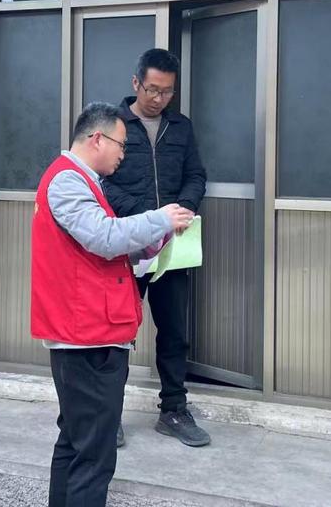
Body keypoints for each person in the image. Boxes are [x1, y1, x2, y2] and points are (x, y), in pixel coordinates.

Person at [31, 101, 195, 507]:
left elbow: (103, 246)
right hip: (86, 338)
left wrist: (151, 242)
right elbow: (103, 238)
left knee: (76, 443)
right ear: (97, 139)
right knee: (94, 455)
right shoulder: (67, 181)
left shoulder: (83, 182)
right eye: (122, 145)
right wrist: (160, 218)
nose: (124, 154)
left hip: (87, 333)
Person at [103, 48, 210, 448]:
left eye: (167, 92)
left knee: (174, 331)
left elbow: (196, 175)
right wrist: (148, 218)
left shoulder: (180, 127)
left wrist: (183, 209)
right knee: (117, 333)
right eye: (152, 89)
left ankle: (174, 410)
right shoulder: (112, 125)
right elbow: (100, 182)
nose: (159, 98)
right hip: (126, 247)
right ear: (136, 83)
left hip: (172, 249)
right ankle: (108, 415)